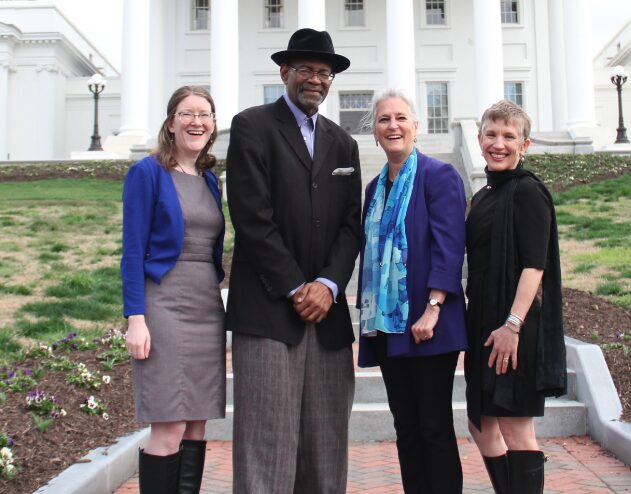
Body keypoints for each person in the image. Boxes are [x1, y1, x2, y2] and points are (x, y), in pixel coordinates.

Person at [225, 28, 361, 493]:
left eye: (324, 72)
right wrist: (295, 286)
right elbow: (251, 216)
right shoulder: (251, 127)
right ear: (284, 72)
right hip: (268, 312)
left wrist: (327, 284)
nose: (316, 80)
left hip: (328, 321)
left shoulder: (344, 144)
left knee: (325, 454)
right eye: (306, 69)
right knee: (266, 451)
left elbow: (350, 226)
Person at [357, 89, 468, 493]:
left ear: (416, 128)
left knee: (433, 426)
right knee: (405, 426)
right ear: (375, 132)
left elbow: (450, 246)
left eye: (401, 118)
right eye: (384, 119)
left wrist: (434, 306)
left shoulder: (439, 176)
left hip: (428, 324)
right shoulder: (374, 189)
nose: (393, 126)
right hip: (389, 324)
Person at [121, 86, 225, 494]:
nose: (196, 121)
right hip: (163, 301)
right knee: (170, 423)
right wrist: (136, 317)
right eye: (187, 113)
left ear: (214, 125)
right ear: (170, 123)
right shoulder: (147, 173)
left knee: (197, 423)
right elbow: (132, 251)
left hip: (206, 304)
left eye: (205, 114)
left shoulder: (211, 180)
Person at [465, 100, 566, 494]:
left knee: (514, 426)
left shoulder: (528, 192)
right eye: (492, 134)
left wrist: (513, 325)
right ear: (479, 139)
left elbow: (534, 267)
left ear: (525, 145)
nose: (499, 143)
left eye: (509, 136)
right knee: (482, 426)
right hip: (483, 325)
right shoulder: (485, 195)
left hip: (515, 326)